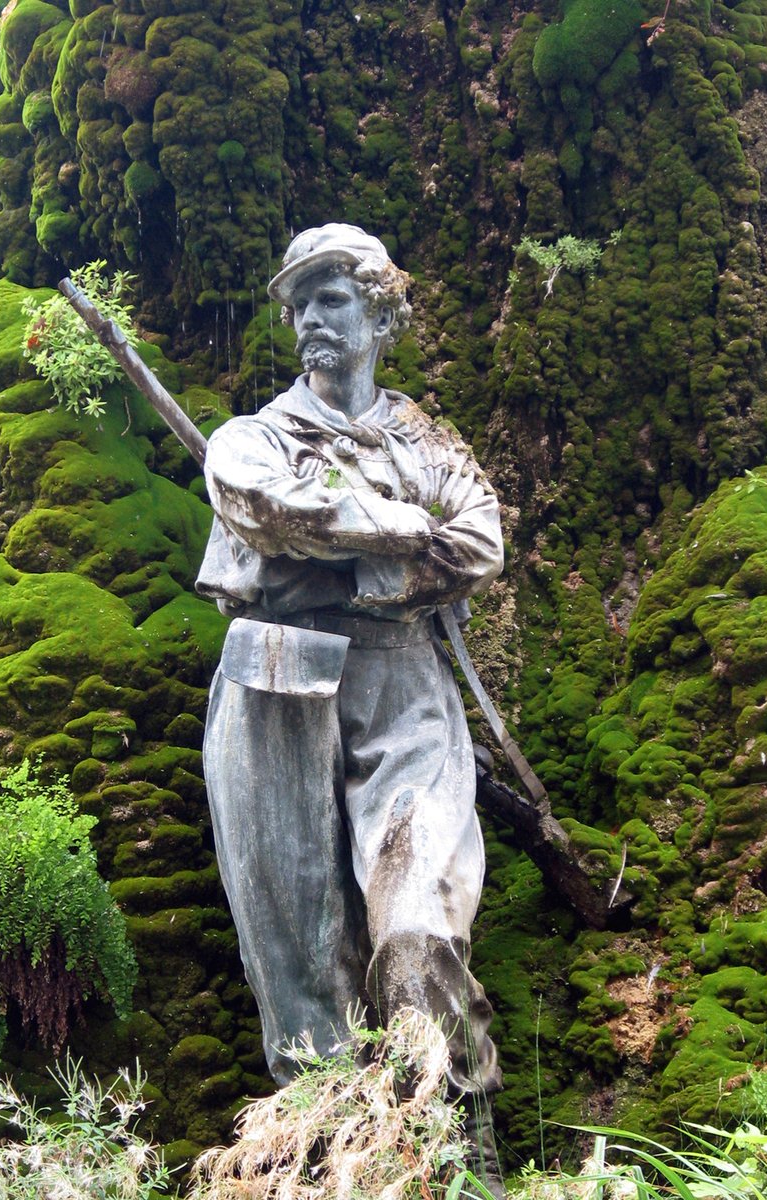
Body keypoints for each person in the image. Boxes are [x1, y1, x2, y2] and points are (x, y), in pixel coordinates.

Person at [195, 224, 505, 1187]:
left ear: (380, 312)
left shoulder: (432, 444)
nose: (308, 320)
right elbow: (263, 504)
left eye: (331, 298)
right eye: (299, 303)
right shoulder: (254, 438)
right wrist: (399, 531)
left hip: (404, 682)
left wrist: (359, 573)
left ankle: (460, 1157)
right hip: (273, 678)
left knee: (420, 921)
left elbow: (479, 544)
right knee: (298, 964)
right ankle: (340, 1167)